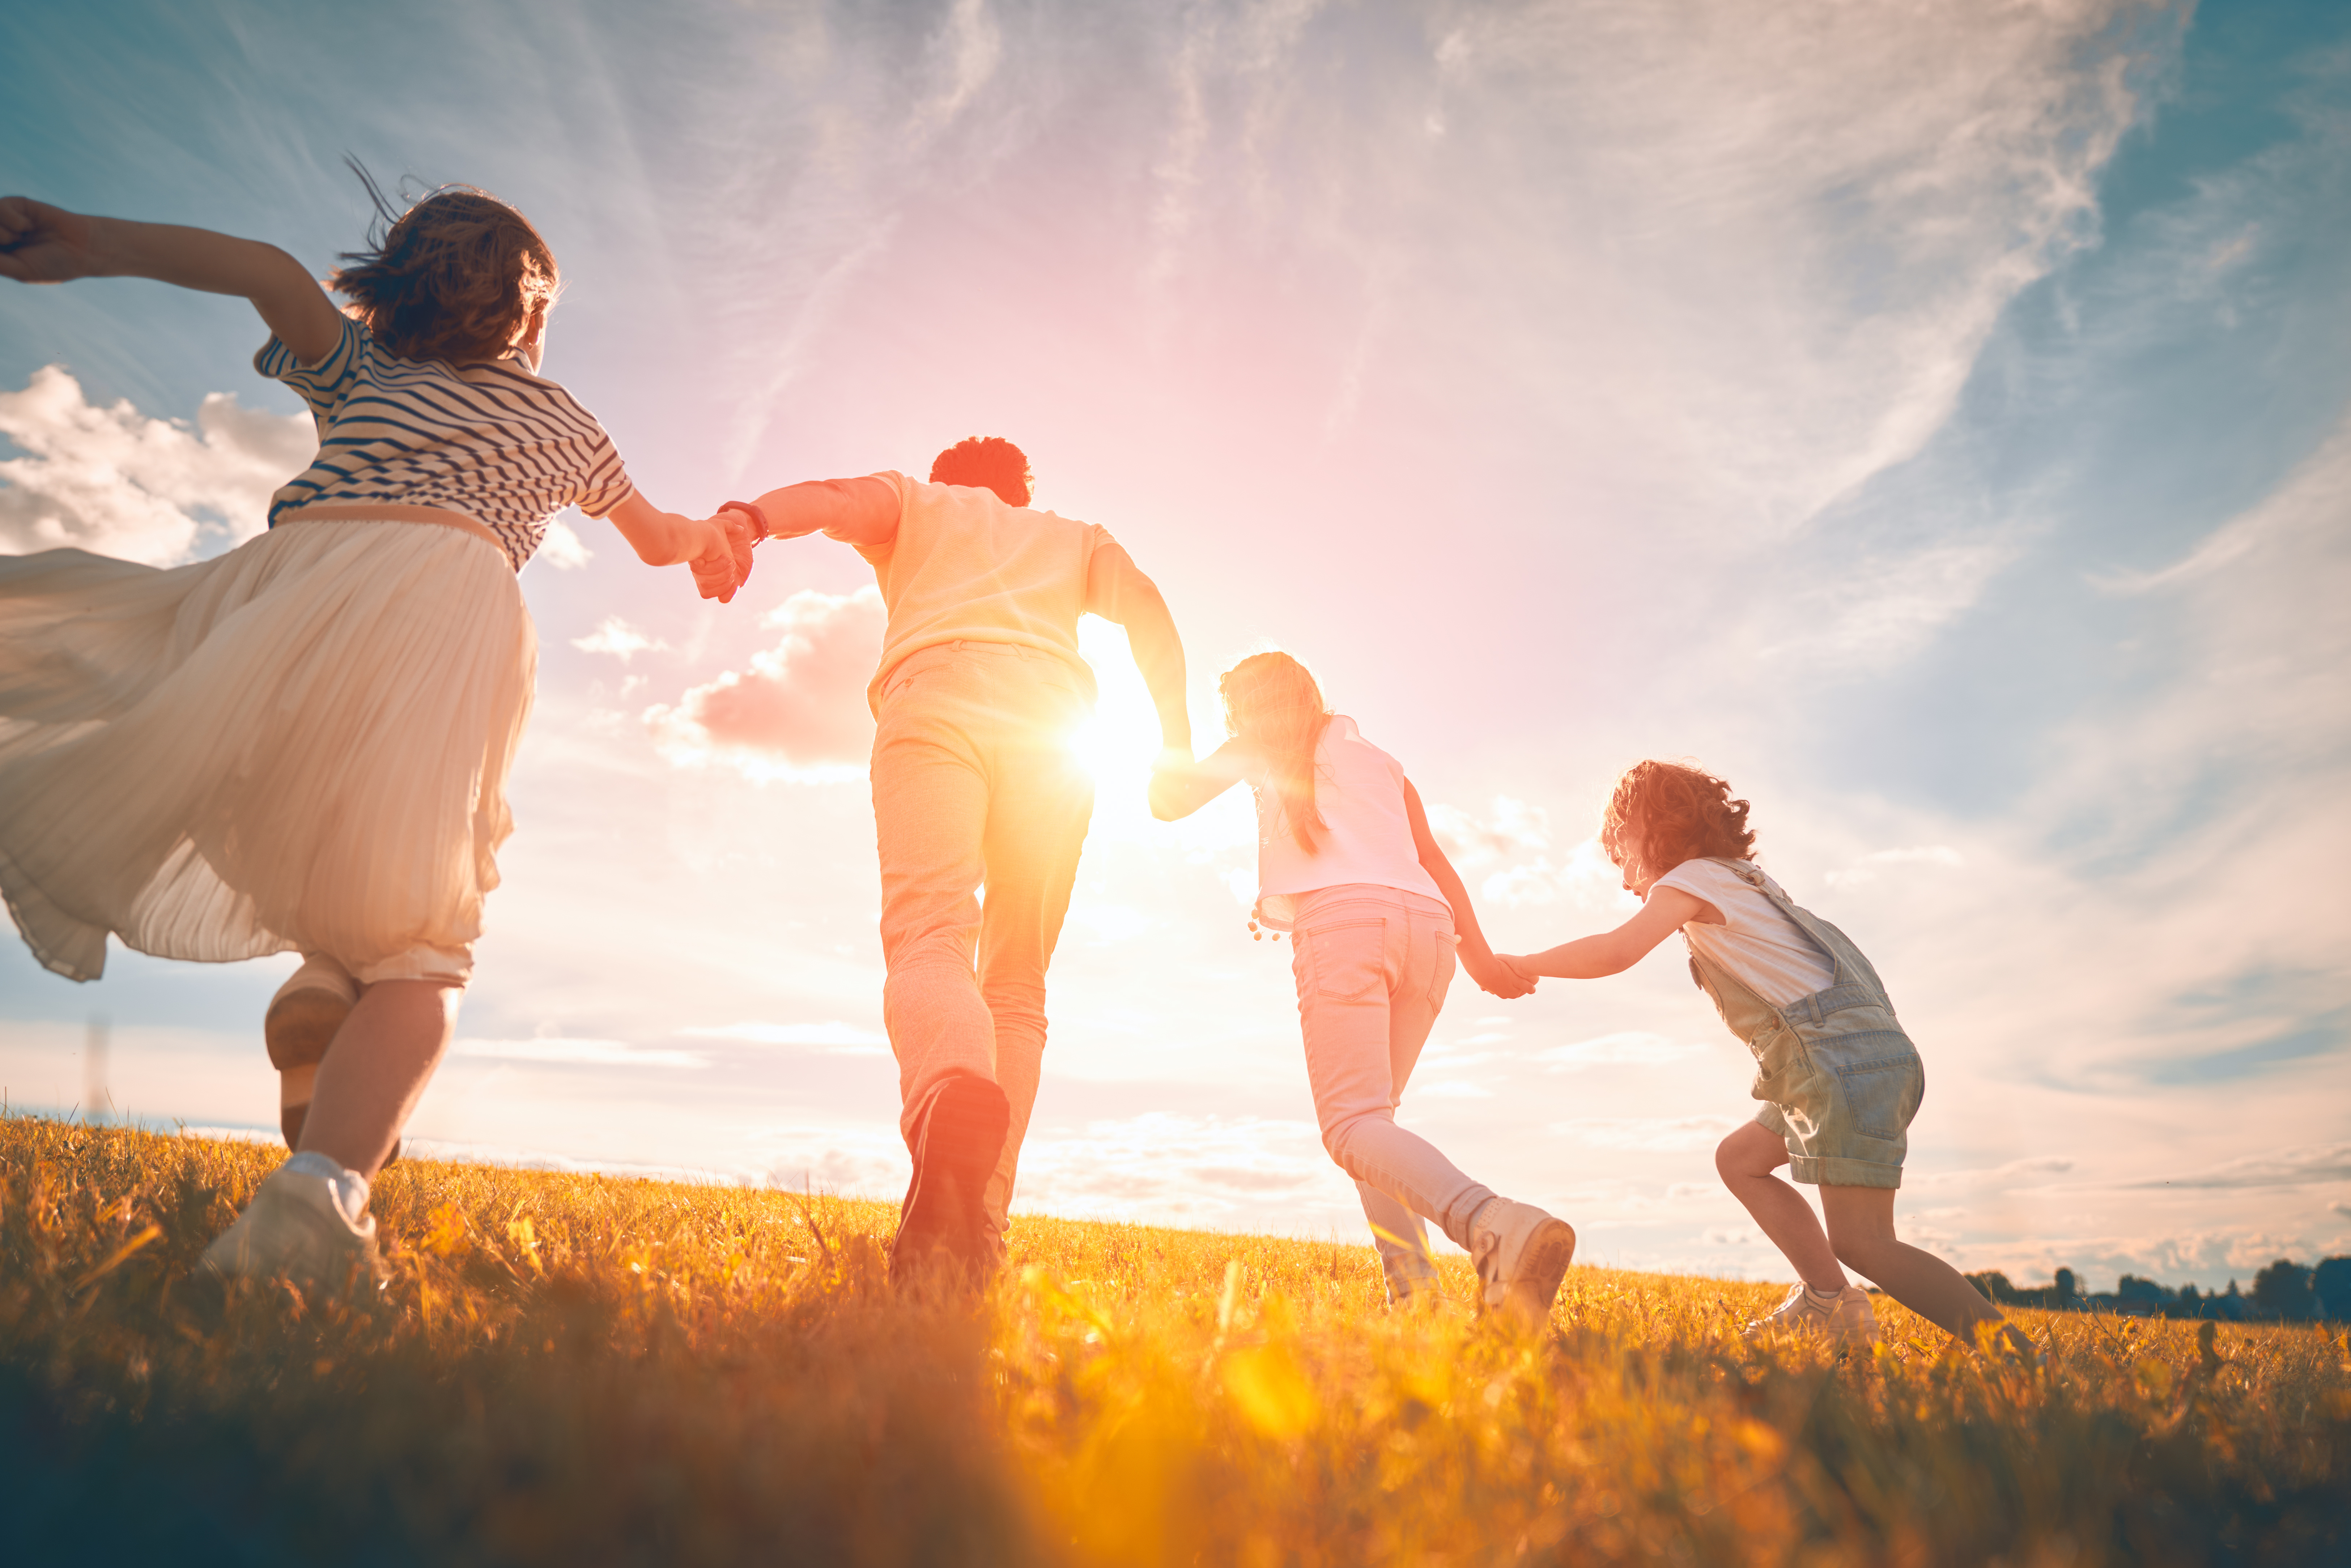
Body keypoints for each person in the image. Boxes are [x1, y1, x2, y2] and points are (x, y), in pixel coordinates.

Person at [0, 174, 747, 1291]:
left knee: (320, 860)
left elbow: (263, 270)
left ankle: (318, 987)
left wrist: (87, 238)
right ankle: (317, 1200)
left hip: (287, 598)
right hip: (447, 600)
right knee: (421, 948)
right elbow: (657, 540)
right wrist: (719, 541)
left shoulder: (364, 370)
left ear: (398, 291)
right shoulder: (565, 422)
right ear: (531, 315)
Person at [717, 438, 1188, 1286]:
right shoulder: (1074, 537)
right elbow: (1149, 605)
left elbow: (826, 495)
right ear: (1021, 493)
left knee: (930, 935)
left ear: (948, 483)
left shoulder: (915, 504)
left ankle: (950, 1094)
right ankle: (982, 1230)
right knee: (1016, 984)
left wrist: (747, 521)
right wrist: (1176, 744)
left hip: (938, 698)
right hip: (1054, 729)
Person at [1497, 760, 2028, 1354]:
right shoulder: (1748, 882)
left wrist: (1522, 963)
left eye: (1620, 855)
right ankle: (1831, 1302)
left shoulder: (1694, 881)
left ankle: (2021, 1357)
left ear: (1650, 828)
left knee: (1864, 1242)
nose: (1623, 880)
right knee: (1741, 1160)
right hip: (1855, 1059)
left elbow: (1618, 951)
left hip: (1833, 1064)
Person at [1148, 652, 1576, 1322]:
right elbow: (1434, 861)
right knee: (1376, 1127)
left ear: (1248, 709)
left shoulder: (1256, 745)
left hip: (1345, 926)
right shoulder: (1385, 764)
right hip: (1431, 932)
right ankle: (1415, 1300)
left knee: (1351, 1126)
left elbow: (1165, 803)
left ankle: (1493, 1224)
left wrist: (1171, 727)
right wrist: (1482, 958)